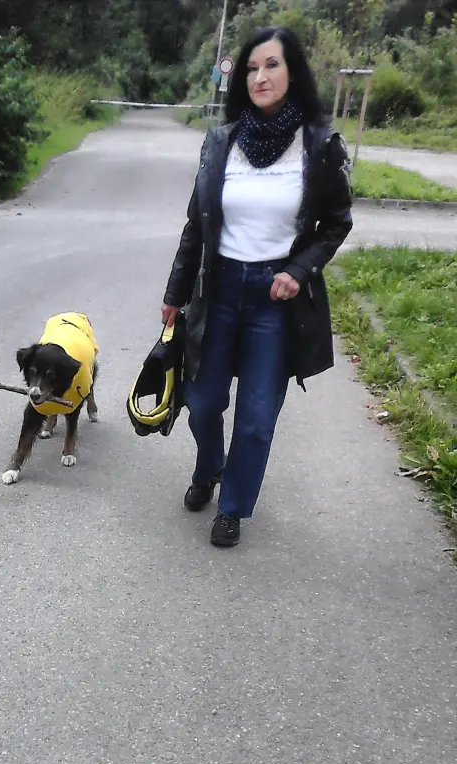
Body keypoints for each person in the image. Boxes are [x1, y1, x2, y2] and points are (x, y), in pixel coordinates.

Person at [162, 26, 353, 547]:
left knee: (256, 416)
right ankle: (209, 468)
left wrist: (299, 270)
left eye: (271, 66)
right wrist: (175, 295)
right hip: (218, 290)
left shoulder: (320, 144)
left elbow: (337, 222)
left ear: (293, 72)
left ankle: (232, 507)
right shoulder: (222, 140)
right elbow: (196, 224)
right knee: (201, 401)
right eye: (251, 68)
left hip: (275, 298)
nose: (259, 77)